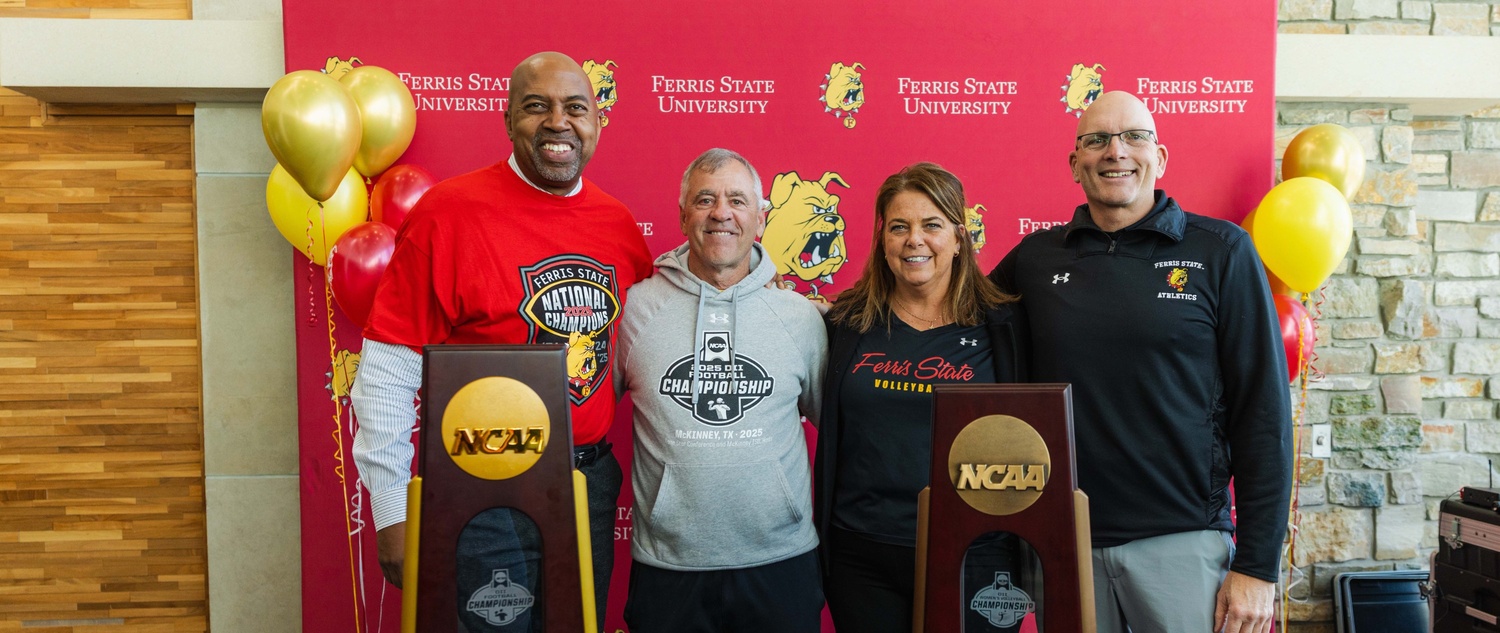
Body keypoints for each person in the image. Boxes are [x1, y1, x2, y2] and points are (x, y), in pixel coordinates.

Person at [349, 51, 652, 632]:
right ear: (508, 119)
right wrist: (391, 513)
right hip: (479, 486)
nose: (558, 123)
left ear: (597, 122)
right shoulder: (448, 214)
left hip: (585, 485)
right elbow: (388, 370)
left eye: (576, 108)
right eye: (537, 107)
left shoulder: (617, 225)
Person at [988, 91, 1292, 633]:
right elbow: (944, 320)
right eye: (1097, 140)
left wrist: (1257, 566)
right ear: (1075, 163)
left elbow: (1264, 414)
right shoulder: (1035, 261)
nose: (1115, 151)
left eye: (1134, 137)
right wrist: (839, 314)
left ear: (1161, 157)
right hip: (1064, 545)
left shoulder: (1222, 251)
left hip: (1183, 544)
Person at [616, 148, 827, 633]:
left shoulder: (798, 317)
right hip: (669, 566)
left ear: (759, 215)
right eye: (705, 199)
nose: (721, 213)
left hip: (781, 559)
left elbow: (836, 422)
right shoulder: (634, 310)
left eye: (737, 199)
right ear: (683, 213)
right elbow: (583, 413)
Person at [815, 162, 1030, 632]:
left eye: (931, 225)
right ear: (882, 241)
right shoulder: (844, 324)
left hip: (977, 554)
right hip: (863, 554)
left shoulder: (1005, 327)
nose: (915, 240)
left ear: (958, 237)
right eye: (899, 227)